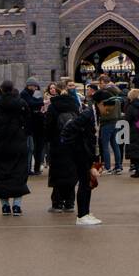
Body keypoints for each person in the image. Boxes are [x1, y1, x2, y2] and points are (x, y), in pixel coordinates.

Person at [0, 80, 31, 216]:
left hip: (0, 142)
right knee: (19, 173)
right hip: (17, 141)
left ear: (1, 89)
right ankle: (17, 206)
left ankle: (5, 206)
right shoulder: (21, 103)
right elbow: (28, 120)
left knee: (1, 174)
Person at [63, 94, 102, 226]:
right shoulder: (88, 114)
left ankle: (85, 212)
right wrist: (74, 146)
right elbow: (69, 128)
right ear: (100, 104)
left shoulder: (94, 114)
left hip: (85, 153)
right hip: (80, 153)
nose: (109, 110)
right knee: (85, 183)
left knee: (88, 183)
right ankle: (82, 215)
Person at [44, 82, 80, 211]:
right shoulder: (74, 104)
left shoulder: (53, 106)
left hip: (57, 143)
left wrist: (49, 139)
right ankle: (70, 203)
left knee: (57, 173)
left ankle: (57, 203)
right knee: (70, 172)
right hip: (72, 143)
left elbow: (48, 126)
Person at [96, 78, 122, 173]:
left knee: (105, 145)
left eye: (101, 83)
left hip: (107, 122)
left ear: (106, 83)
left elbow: (104, 110)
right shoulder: (116, 93)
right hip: (115, 121)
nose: (99, 85)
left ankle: (108, 167)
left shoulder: (105, 95)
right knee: (115, 144)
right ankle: (118, 166)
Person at [20, 80, 45, 176]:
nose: (35, 88)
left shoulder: (30, 93)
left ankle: (32, 168)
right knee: (30, 147)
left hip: (34, 124)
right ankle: (28, 168)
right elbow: (32, 103)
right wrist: (41, 101)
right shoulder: (25, 94)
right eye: (35, 86)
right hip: (29, 125)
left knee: (33, 147)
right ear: (30, 86)